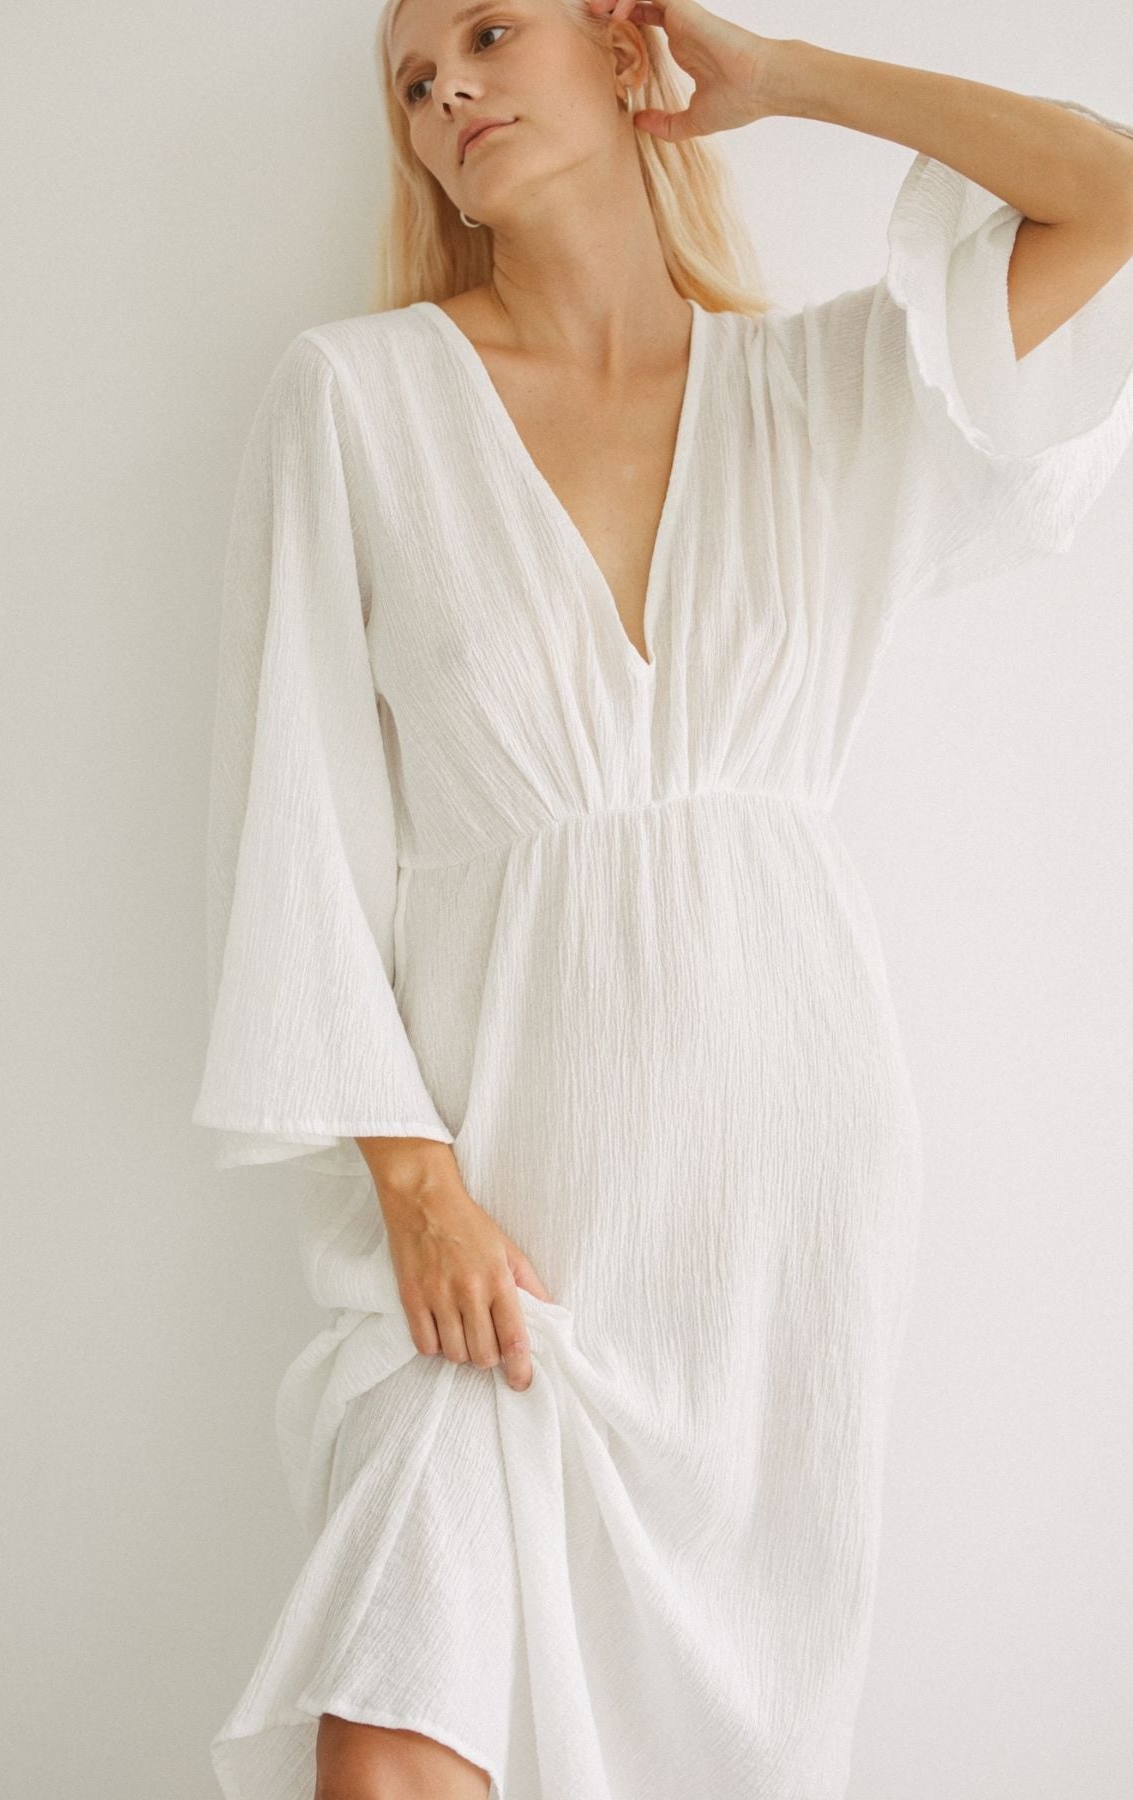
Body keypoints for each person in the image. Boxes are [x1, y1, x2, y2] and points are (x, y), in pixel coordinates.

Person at [191, 0, 1133, 1795]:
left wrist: (793, 85)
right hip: (507, 1224)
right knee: (389, 1736)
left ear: (625, 52)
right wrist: (414, 1182)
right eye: (409, 78)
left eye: (488, 29)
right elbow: (294, 815)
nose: (447, 83)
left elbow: (1112, 194)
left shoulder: (826, 391)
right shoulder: (360, 396)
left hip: (784, 1206)